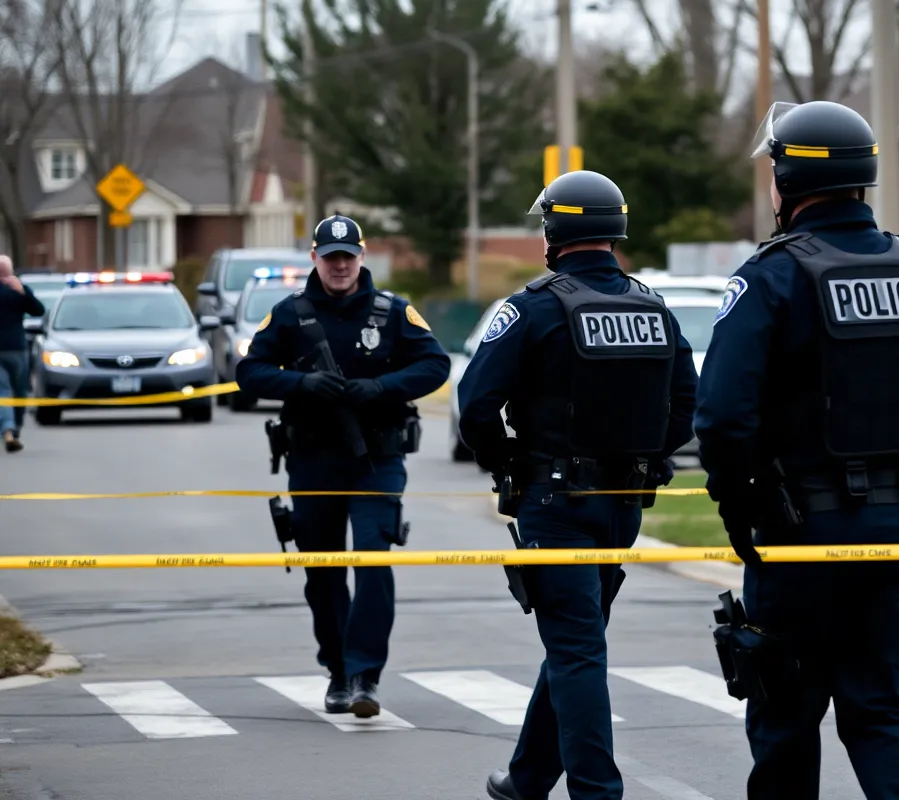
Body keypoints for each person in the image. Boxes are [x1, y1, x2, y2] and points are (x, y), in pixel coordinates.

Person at [695, 101, 899, 800]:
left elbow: (723, 418)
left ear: (788, 180)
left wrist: (742, 511)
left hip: (802, 537)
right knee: (884, 711)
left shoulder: (769, 276)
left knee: (786, 714)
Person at [457, 170, 699, 800]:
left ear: (556, 232)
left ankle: (597, 793)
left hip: (555, 502)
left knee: (577, 650)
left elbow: (476, 404)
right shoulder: (653, 306)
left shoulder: (534, 306)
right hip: (625, 504)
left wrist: (506, 461)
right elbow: (685, 405)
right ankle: (529, 777)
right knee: (576, 638)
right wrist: (645, 455)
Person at [235, 214, 450, 718]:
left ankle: (365, 677)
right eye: (330, 258)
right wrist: (300, 384)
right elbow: (249, 371)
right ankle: (337, 669)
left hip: (378, 457)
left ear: (361, 257)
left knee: (373, 560)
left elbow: (435, 365)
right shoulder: (290, 314)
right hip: (313, 458)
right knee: (323, 570)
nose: (339, 266)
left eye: (347, 257)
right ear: (314, 258)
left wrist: (381, 388)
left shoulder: (393, 312)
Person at [0, 255, 45, 453]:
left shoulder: (18, 290)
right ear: (10, 271)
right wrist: (22, 293)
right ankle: (13, 428)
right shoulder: (19, 290)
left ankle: (10, 429)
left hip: (10, 349)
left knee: (7, 392)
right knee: (16, 391)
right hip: (17, 348)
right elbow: (38, 310)